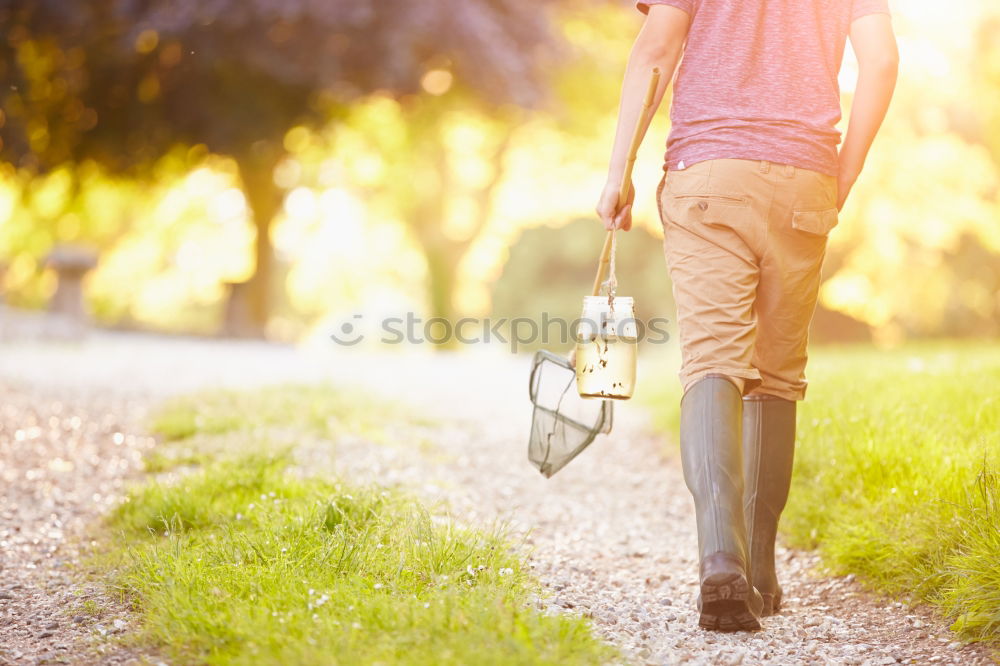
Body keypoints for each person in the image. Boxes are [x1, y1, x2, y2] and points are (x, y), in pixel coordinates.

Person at [596, 1, 898, 631]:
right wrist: (843, 174)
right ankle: (759, 569)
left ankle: (720, 561)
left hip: (709, 174)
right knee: (778, 374)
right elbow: (881, 61)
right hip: (805, 177)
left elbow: (656, 50)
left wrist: (619, 171)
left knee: (713, 361)